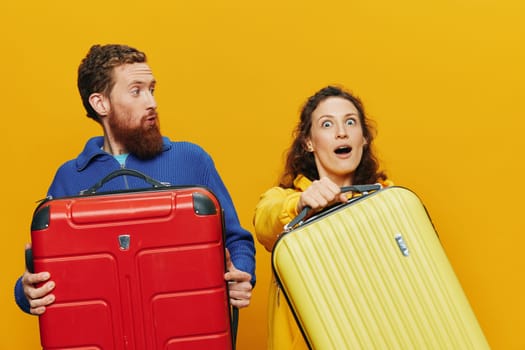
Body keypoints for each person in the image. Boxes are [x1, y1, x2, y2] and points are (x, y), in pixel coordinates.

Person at [14, 44, 256, 315]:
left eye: (152, 89)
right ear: (100, 103)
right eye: (136, 91)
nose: (152, 102)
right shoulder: (70, 178)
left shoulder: (191, 159)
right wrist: (25, 292)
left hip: (188, 326)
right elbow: (44, 269)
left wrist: (242, 274)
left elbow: (237, 240)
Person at [253, 85, 392, 349]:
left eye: (350, 122)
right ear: (309, 142)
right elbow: (265, 223)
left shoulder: (388, 202)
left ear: (363, 138)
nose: (342, 131)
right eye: (327, 124)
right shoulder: (285, 200)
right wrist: (301, 204)